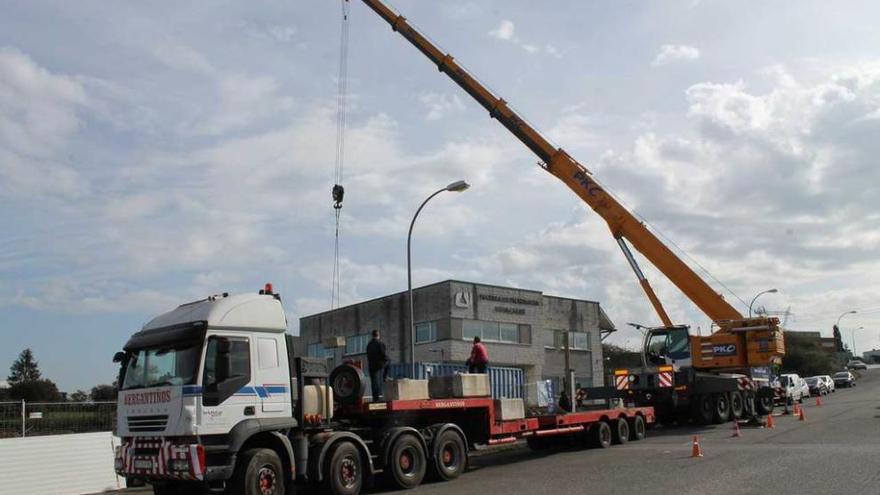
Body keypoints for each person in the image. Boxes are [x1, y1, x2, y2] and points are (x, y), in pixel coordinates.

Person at [366, 329, 389, 401]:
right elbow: (383, 355)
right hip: (379, 365)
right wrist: (386, 360)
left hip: (371, 365)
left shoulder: (369, 345)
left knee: (373, 382)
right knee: (389, 362)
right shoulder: (380, 344)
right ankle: (385, 377)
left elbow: (368, 355)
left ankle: (375, 398)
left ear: (372, 335)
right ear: (378, 335)